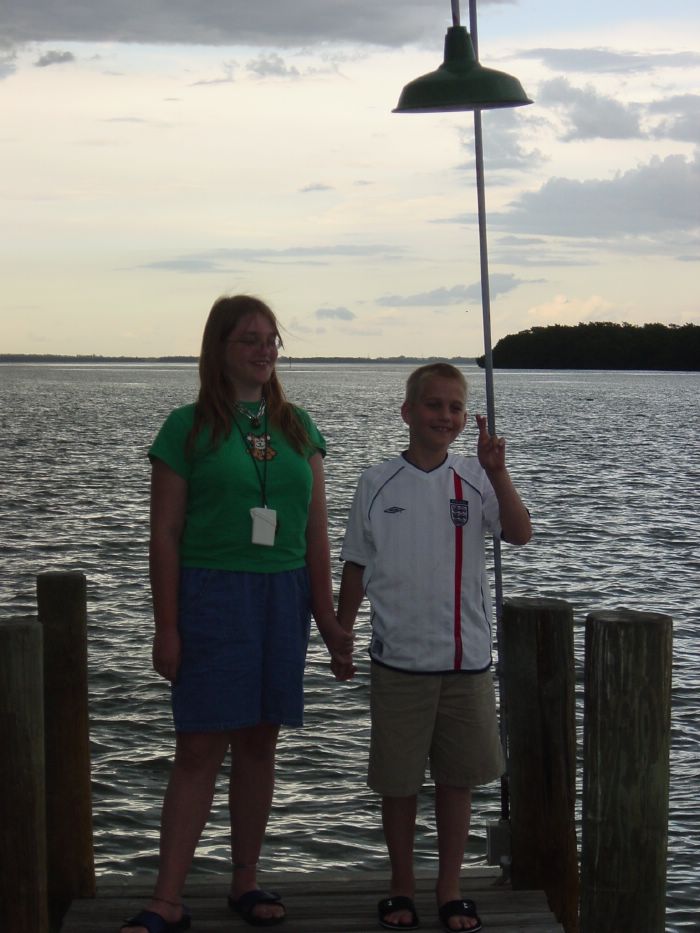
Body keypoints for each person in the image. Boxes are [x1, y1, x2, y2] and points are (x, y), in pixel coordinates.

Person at [122, 295, 353, 933]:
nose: (263, 349)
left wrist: (329, 619)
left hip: (283, 599)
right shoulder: (187, 428)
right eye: (248, 339)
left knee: (259, 742)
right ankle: (166, 898)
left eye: (271, 338)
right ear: (219, 349)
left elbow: (315, 533)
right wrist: (166, 626)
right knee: (198, 748)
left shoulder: (299, 427)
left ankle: (244, 881)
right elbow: (163, 535)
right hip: (212, 595)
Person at [336, 362, 532, 933]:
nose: (443, 416)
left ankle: (449, 888)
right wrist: (342, 634)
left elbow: (519, 532)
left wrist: (500, 472)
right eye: (432, 405)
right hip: (397, 662)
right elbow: (355, 563)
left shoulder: (476, 478)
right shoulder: (377, 482)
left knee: (456, 780)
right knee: (398, 785)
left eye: (453, 407)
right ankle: (402, 885)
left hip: (467, 663)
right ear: (407, 413)